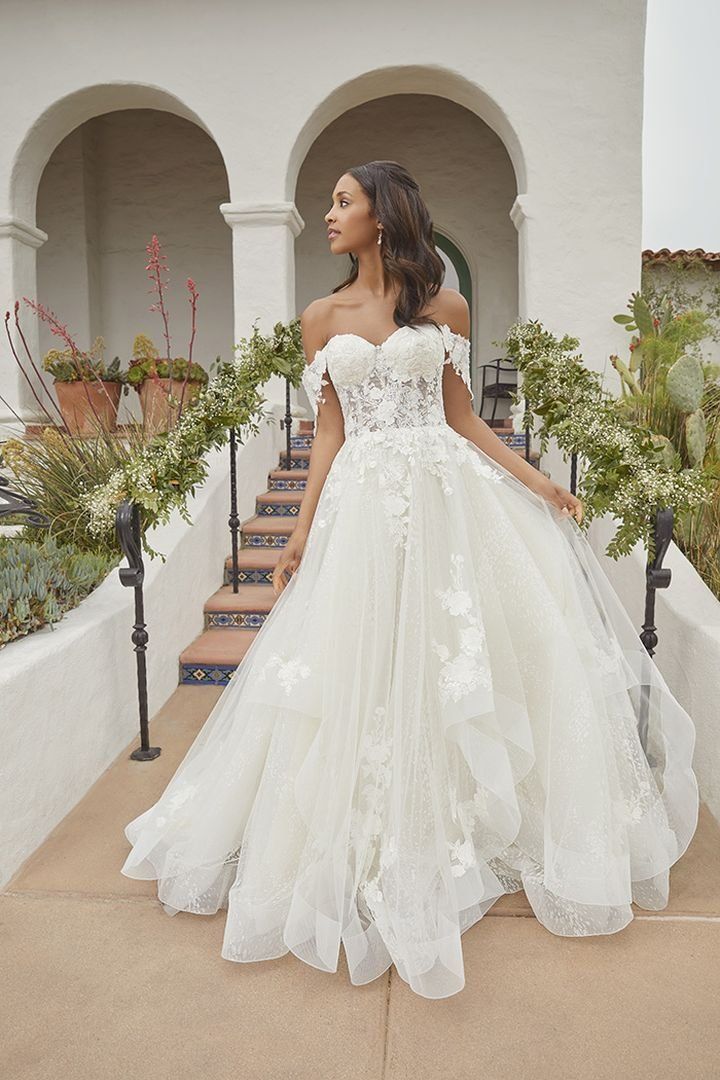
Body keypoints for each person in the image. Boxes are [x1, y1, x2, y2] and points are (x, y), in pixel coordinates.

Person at [121, 160, 699, 1001]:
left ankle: (460, 825)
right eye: (330, 203)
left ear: (384, 218)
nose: (328, 215)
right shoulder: (320, 318)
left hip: (443, 498)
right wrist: (298, 530)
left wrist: (539, 482)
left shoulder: (447, 309)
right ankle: (360, 832)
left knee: (451, 660)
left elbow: (462, 415)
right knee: (359, 662)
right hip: (361, 508)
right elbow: (328, 431)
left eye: (343, 202)